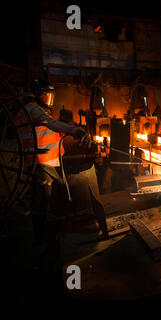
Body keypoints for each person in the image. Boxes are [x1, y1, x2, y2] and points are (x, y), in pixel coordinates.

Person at [16, 79, 91, 244]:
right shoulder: (31, 111)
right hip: (40, 162)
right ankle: (40, 236)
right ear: (38, 94)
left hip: (50, 161)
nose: (49, 99)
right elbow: (51, 124)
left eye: (51, 96)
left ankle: (48, 230)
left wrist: (66, 134)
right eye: (46, 95)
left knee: (49, 197)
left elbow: (50, 131)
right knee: (42, 197)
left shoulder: (40, 110)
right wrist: (74, 130)